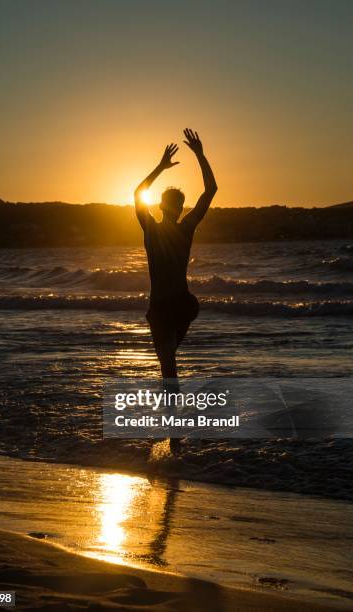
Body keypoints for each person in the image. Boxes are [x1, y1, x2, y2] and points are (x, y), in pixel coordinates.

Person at [134, 129, 217, 451]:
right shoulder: (184, 229)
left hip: (166, 308)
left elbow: (137, 192)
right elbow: (211, 190)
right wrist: (199, 153)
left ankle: (174, 437)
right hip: (183, 306)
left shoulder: (151, 230)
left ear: (162, 205)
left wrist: (160, 167)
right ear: (180, 208)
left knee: (169, 369)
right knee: (169, 367)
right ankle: (173, 428)